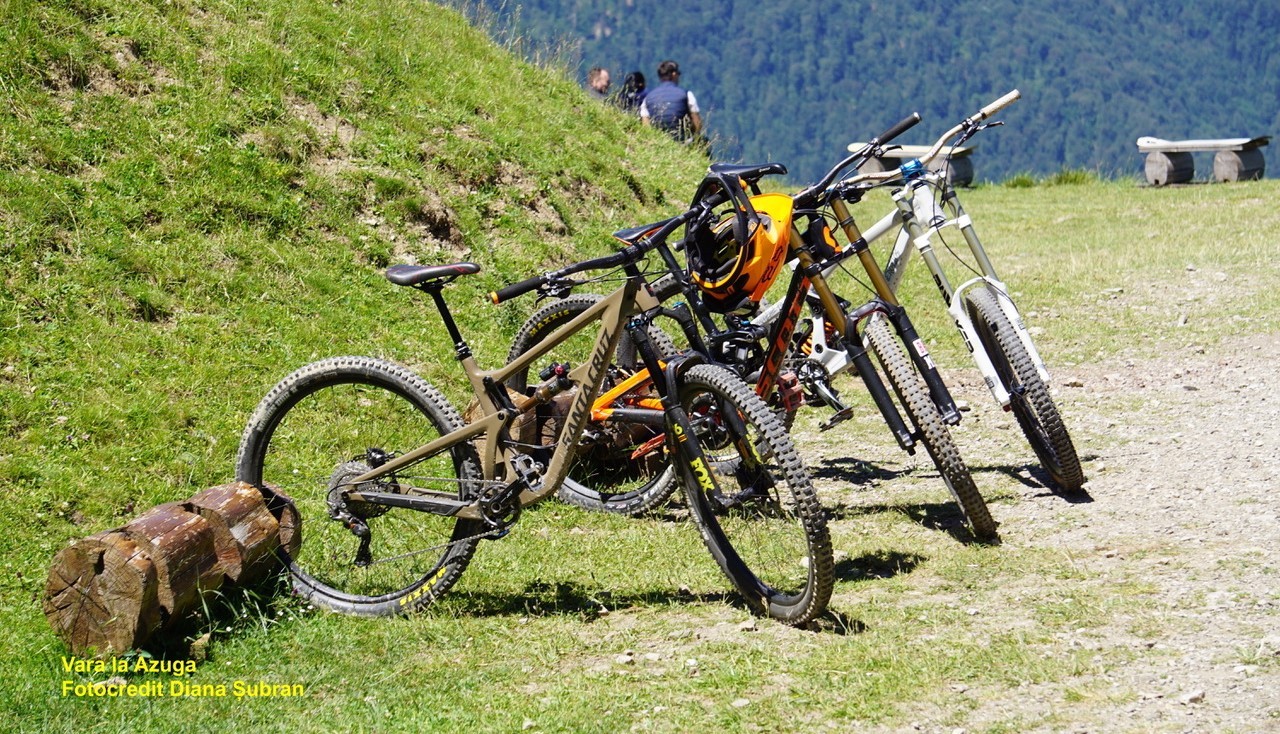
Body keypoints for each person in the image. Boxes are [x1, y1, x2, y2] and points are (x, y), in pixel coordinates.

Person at [639, 60, 702, 142]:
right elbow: (697, 123)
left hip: (658, 142)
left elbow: (646, 126)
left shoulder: (647, 98)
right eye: (678, 73)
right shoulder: (687, 94)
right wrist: (695, 137)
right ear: (674, 74)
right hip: (682, 141)